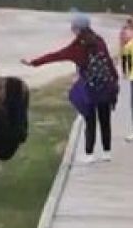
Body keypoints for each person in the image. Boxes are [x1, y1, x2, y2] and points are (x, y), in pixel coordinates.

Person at [22, 13, 120, 163]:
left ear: (77, 29)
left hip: (90, 90)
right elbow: (108, 63)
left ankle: (89, 154)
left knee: (90, 121)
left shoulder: (78, 46)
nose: (72, 29)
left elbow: (56, 55)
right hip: (105, 87)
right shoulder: (100, 41)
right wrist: (115, 80)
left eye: (73, 27)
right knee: (105, 121)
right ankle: (107, 153)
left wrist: (34, 62)